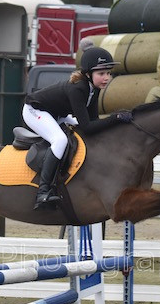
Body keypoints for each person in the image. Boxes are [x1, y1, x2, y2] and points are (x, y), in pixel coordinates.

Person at [22, 46, 119, 210]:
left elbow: (93, 122)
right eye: (101, 74)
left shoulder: (93, 89)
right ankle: (43, 192)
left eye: (108, 73)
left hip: (56, 114)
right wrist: (115, 118)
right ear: (88, 74)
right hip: (35, 110)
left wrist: (114, 122)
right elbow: (88, 126)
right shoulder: (78, 88)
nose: (106, 78)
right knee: (60, 140)